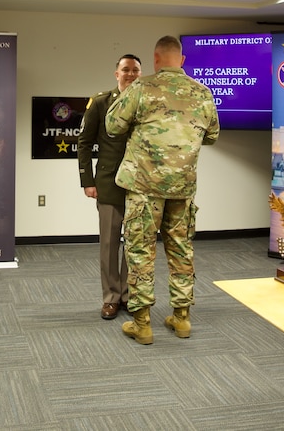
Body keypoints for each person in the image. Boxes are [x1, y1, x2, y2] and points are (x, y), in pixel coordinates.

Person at [106, 35, 219, 345]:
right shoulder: (203, 92)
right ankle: (182, 318)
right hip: (183, 187)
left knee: (141, 250)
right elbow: (212, 136)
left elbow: (113, 126)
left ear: (155, 59)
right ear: (180, 60)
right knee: (181, 248)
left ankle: (142, 323)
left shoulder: (141, 88)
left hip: (144, 186)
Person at [77, 54, 142, 320]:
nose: (130, 74)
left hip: (140, 185)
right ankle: (111, 298)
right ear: (116, 73)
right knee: (109, 243)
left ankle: (128, 295)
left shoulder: (148, 104)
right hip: (109, 184)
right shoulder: (102, 101)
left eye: (135, 71)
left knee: (135, 244)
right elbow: (84, 142)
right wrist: (88, 181)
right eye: (125, 70)